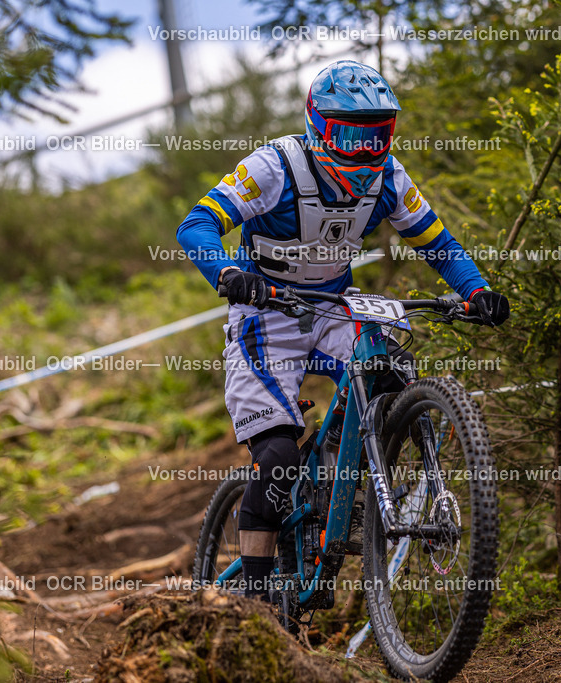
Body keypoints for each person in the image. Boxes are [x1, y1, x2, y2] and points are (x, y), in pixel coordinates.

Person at [176, 60, 509, 599]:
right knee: (277, 458)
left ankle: (346, 483)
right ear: (318, 127)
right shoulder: (274, 167)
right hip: (265, 313)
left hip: (332, 305)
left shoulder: (390, 177)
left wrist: (477, 291)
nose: (365, 151)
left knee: (390, 369)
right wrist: (229, 274)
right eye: (351, 136)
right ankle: (254, 604)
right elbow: (196, 224)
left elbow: (441, 246)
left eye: (377, 135)